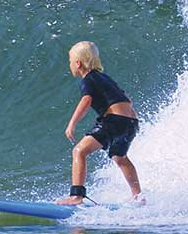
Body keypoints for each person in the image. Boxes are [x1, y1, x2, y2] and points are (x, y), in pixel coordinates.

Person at [55, 41, 143, 205]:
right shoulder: (104, 78)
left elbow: (87, 100)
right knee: (120, 157)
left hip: (114, 120)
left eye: (70, 61)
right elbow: (126, 98)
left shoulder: (88, 78)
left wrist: (72, 123)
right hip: (131, 122)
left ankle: (76, 196)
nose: (70, 65)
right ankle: (138, 196)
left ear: (78, 63)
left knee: (79, 151)